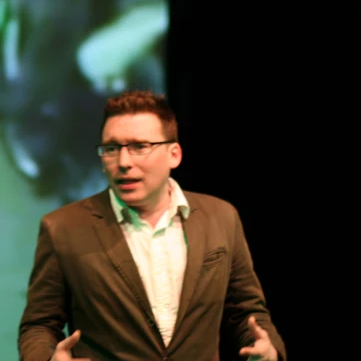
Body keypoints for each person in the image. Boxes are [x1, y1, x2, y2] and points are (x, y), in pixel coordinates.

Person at [18, 90, 286, 361]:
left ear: (174, 155)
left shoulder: (221, 217)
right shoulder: (63, 227)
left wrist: (266, 348)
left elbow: (246, 310)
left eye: (139, 147)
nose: (123, 162)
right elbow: (38, 325)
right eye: (111, 149)